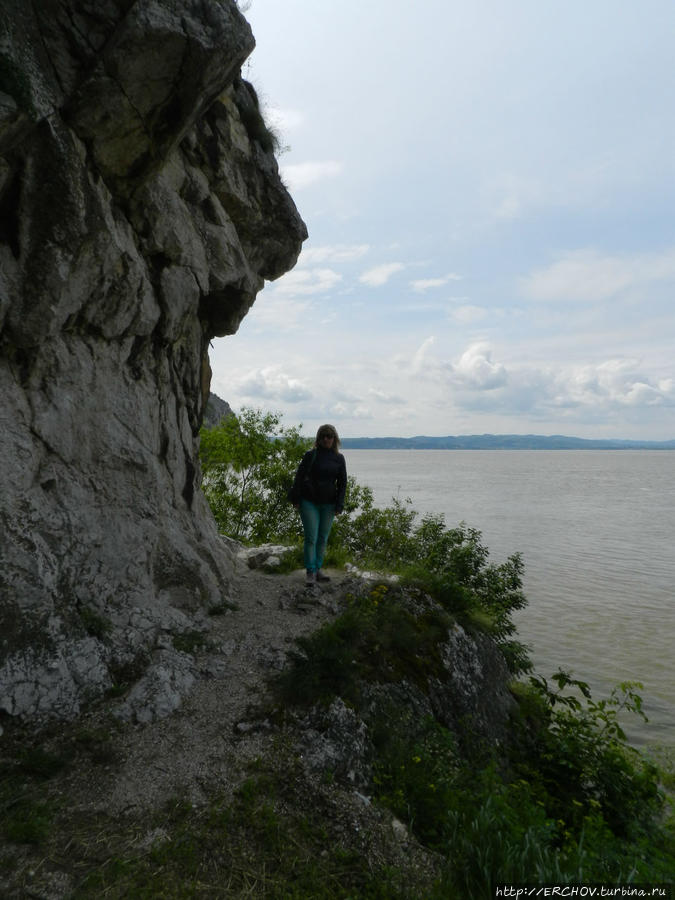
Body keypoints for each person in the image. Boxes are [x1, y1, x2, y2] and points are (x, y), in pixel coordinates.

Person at [289, 424, 347, 585]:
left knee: (322, 538)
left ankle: (318, 569)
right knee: (311, 537)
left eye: (329, 436)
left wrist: (339, 505)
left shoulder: (339, 458)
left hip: (329, 504)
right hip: (309, 502)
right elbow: (299, 478)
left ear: (335, 438)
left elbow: (343, 483)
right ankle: (310, 571)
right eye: (323, 436)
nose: (326, 439)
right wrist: (295, 499)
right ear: (318, 438)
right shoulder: (311, 455)